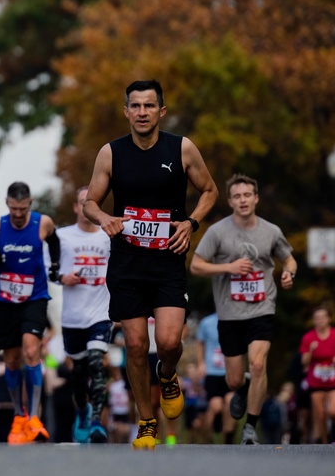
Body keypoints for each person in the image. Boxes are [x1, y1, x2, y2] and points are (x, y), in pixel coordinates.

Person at [83, 79, 218, 450]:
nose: (142, 112)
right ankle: (147, 421)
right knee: (137, 345)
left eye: (149, 106)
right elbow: (90, 202)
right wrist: (104, 218)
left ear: (161, 111)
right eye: (135, 106)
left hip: (168, 257)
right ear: (126, 111)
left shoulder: (182, 148)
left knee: (169, 341)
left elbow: (210, 190)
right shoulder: (111, 153)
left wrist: (191, 224)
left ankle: (169, 373)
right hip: (127, 261)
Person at [190, 174, 297, 445]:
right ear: (230, 201)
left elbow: (289, 260)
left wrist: (288, 274)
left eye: (247, 195)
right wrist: (228, 267)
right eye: (237, 196)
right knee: (234, 381)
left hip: (262, 308)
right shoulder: (217, 232)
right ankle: (244, 385)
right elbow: (196, 265)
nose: (243, 200)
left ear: (256, 198)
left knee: (259, 363)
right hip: (229, 313)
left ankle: (250, 427)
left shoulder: (271, 231)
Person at [0, 182, 59, 444]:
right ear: (7, 204)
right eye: (14, 208)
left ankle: (33, 416)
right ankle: (19, 417)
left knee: (32, 351)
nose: (18, 214)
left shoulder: (43, 224)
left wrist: (54, 265)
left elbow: (55, 243)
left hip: (35, 299)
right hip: (5, 304)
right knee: (11, 361)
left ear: (30, 204)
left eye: (23, 208)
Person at [57, 186, 112, 444]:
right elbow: (47, 269)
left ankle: (96, 423)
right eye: (81, 203)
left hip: (100, 313)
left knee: (96, 363)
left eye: (91, 203)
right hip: (72, 317)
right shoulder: (62, 236)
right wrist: (61, 277)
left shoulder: (109, 236)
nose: (86, 208)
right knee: (79, 376)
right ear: (76, 207)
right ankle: (82, 412)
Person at [300, 306, 335, 444]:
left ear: (328, 319)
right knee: (320, 414)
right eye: (317, 318)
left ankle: (334, 425)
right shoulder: (308, 337)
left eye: (323, 317)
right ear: (314, 320)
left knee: (333, 411)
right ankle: (325, 442)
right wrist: (310, 351)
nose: (320, 320)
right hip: (316, 381)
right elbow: (304, 361)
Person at [194, 310, 234, 443]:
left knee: (231, 401)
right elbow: (199, 343)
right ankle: (209, 436)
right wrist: (200, 363)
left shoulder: (235, 320)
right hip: (212, 371)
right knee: (216, 406)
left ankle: (228, 435)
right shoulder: (207, 322)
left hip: (230, 371)